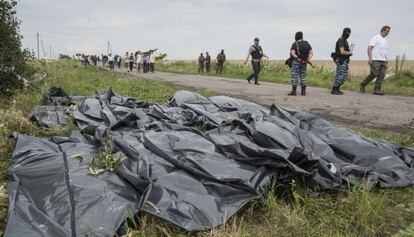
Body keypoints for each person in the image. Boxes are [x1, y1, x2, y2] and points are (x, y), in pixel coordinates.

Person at [359, 26, 391, 95]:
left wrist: (386, 59)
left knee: (382, 75)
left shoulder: (385, 40)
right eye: (387, 31)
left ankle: (377, 90)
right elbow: (369, 48)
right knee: (374, 74)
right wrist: (370, 58)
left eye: (388, 32)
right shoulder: (376, 37)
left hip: (383, 60)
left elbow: (384, 51)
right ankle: (363, 84)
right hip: (375, 59)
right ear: (382, 31)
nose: (388, 33)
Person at [331, 28, 353, 95]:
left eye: (349, 33)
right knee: (341, 75)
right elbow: (342, 52)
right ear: (344, 32)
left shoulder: (344, 40)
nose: (348, 35)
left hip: (344, 60)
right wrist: (349, 53)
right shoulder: (341, 40)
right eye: (347, 33)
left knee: (342, 75)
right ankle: (335, 89)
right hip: (341, 60)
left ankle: (337, 88)